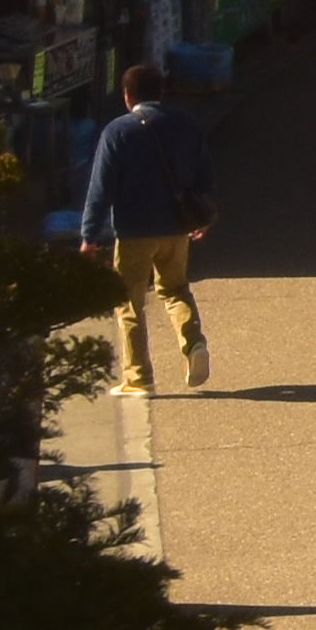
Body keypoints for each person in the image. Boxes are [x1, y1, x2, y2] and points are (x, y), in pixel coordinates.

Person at [79, 64, 222, 392]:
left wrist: (89, 235)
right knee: (174, 290)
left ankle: (138, 377)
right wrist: (203, 216)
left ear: (127, 96)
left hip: (133, 231)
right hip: (176, 227)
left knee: (129, 302)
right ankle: (193, 342)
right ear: (162, 92)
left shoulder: (117, 132)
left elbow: (101, 188)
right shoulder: (185, 124)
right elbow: (205, 173)